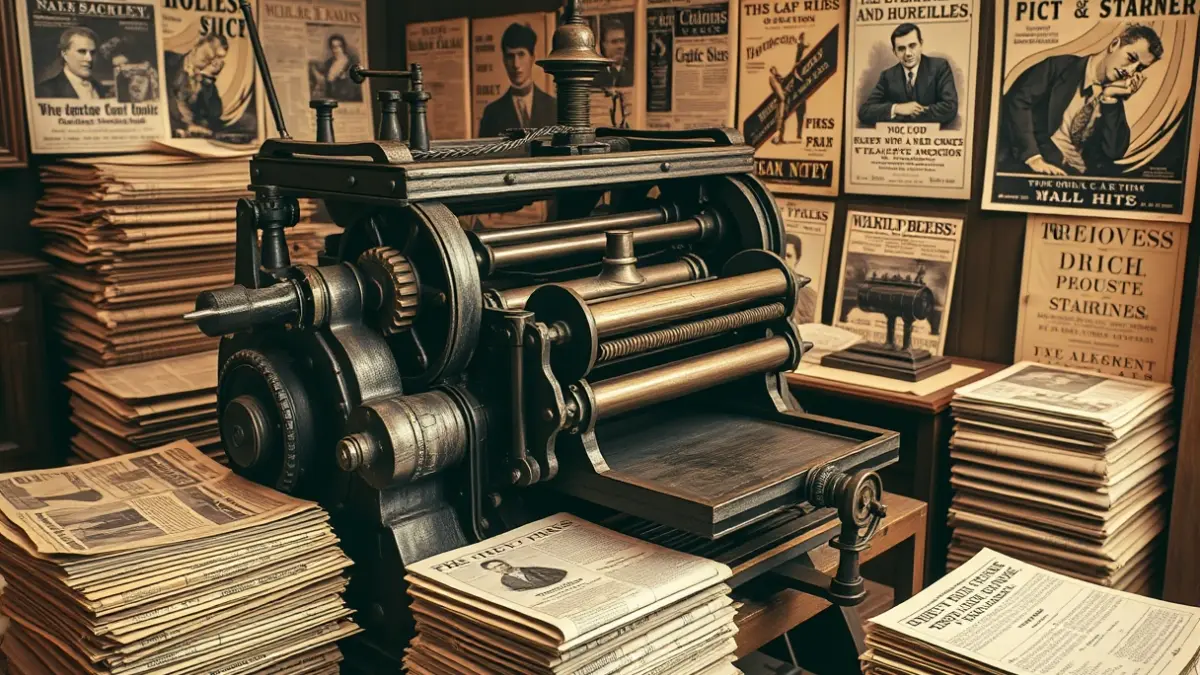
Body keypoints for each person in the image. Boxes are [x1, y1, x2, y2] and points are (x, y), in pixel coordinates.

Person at [998, 23, 1162, 176]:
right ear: (1114, 45)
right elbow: (1017, 102)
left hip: (1078, 177)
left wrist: (1111, 100)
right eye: (1131, 58)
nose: (1131, 71)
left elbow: (1113, 152)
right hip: (1040, 165)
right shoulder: (1058, 67)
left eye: (1140, 68)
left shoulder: (1112, 98)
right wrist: (1033, 158)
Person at [857, 23, 958, 128]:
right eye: (901, 48)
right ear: (894, 52)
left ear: (921, 44)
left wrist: (908, 113)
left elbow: (950, 108)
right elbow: (864, 112)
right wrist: (897, 109)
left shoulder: (939, 67)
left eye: (912, 46)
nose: (908, 53)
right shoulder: (887, 76)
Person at [478, 22, 557, 137]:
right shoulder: (491, 114)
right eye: (510, 56)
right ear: (504, 61)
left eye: (521, 54)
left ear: (532, 57)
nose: (516, 64)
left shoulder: (553, 107)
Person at [165, 34, 228, 137]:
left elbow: (215, 114)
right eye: (212, 48)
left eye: (219, 57)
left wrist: (208, 80)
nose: (213, 59)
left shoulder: (206, 81)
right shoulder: (167, 60)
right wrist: (185, 126)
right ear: (196, 46)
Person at [36, 26, 110, 99]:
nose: (89, 58)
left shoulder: (101, 89)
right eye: (82, 51)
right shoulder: (46, 91)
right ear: (64, 54)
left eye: (92, 52)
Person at [768, 33, 807, 144]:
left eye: (775, 70)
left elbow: (786, 78)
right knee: (781, 119)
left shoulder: (779, 78)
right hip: (783, 101)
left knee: (788, 118)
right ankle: (779, 138)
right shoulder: (773, 79)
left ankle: (784, 137)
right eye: (773, 70)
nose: (775, 71)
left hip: (788, 98)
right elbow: (780, 92)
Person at [309, 34, 362, 101]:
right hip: (330, 99)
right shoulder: (328, 63)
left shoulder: (351, 62)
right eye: (333, 47)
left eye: (339, 46)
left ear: (343, 47)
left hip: (346, 99)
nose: (336, 50)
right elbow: (323, 78)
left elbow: (354, 86)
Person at [783, 233, 819, 324]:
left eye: (788, 255)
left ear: (797, 260)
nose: (783, 259)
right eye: (781, 254)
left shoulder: (809, 295)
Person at [480, 559, 567, 591]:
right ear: (494, 571)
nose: (500, 568)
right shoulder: (505, 581)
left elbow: (561, 573)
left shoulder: (532, 569)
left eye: (500, 564)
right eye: (495, 567)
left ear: (506, 563)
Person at [594, 18, 633, 88]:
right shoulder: (594, 76)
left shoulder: (635, 74)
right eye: (614, 42)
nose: (620, 46)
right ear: (604, 45)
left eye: (622, 41)